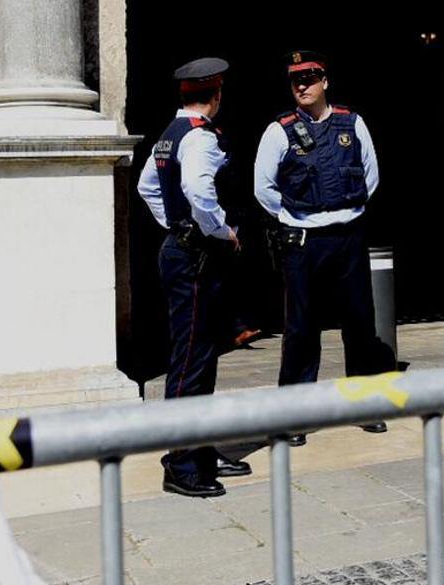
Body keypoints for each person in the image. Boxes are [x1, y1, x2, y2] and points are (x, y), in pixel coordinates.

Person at [253, 50, 395, 445]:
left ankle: (365, 405)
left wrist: (348, 211)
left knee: (360, 322)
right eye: (295, 79)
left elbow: (372, 173)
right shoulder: (278, 131)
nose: (302, 85)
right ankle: (294, 416)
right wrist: (295, 217)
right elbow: (263, 188)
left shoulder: (353, 123)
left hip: (348, 235)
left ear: (325, 81)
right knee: (301, 327)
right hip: (304, 240)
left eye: (310, 77)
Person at [137, 56, 252, 498]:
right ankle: (181, 463)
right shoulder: (201, 138)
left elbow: (148, 186)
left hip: (181, 250)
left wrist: (174, 224)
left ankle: (198, 452)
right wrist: (220, 230)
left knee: (198, 356)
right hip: (197, 256)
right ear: (217, 94)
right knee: (191, 362)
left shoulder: (170, 134)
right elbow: (200, 191)